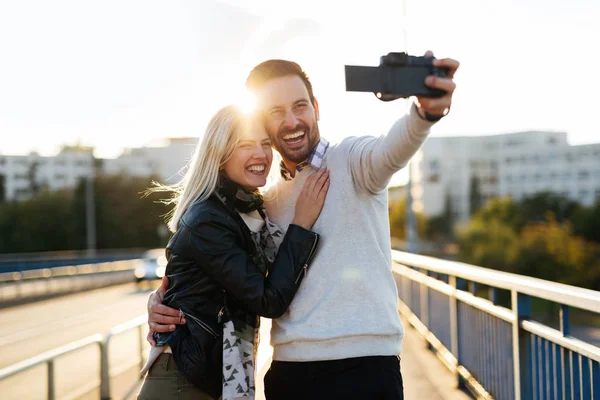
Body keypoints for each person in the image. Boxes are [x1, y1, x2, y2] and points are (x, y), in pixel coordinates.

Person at [148, 52, 459, 399]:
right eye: (275, 112)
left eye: (299, 106)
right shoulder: (264, 203)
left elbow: (391, 150)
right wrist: (166, 302)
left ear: (316, 108)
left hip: (365, 368)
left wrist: (424, 114)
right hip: (289, 373)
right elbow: (224, 275)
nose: (292, 120)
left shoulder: (352, 161)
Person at [137, 105, 330, 400]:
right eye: (245, 145)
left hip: (204, 376)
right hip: (183, 381)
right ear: (220, 155)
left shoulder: (246, 213)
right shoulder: (209, 219)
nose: (261, 155)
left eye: (265, 144)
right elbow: (268, 298)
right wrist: (301, 225)